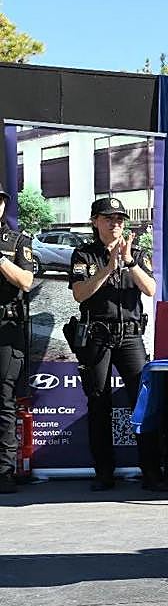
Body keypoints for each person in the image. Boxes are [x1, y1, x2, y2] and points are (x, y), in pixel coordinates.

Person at [69, 197, 164, 492]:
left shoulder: (136, 252)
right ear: (95, 221)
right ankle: (104, 473)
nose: (115, 224)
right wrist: (109, 266)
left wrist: (129, 262)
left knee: (142, 402)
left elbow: (150, 289)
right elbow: (80, 294)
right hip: (97, 335)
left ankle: (151, 472)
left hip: (131, 336)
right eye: (109, 218)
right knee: (99, 403)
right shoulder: (84, 254)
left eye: (120, 219)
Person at [0, 183, 34, 493]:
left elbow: (26, 280)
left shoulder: (16, 241)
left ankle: (4, 471)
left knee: (3, 402)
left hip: (5, 330)